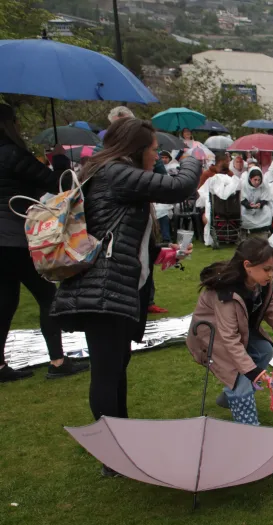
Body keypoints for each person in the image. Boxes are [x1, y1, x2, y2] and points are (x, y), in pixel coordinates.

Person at [50, 118, 200, 428]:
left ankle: (121, 436)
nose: (157, 158)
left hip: (115, 287)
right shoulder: (115, 173)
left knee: (116, 367)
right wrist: (190, 157)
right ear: (137, 149)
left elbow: (120, 232)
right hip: (105, 288)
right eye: (155, 151)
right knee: (107, 372)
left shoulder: (109, 172)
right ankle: (111, 447)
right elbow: (179, 186)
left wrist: (159, 253)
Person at [0, 105, 87, 382]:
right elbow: (54, 182)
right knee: (48, 297)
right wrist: (59, 160)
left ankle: (0, 366)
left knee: (5, 302)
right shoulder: (12, 153)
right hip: (15, 237)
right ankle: (58, 361)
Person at [186, 238, 273, 425]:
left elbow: (271, 303)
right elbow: (228, 339)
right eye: (266, 269)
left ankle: (229, 397)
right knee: (239, 378)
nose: (271, 275)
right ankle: (248, 430)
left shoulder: (262, 283)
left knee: (264, 351)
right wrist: (251, 371)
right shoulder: (226, 294)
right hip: (212, 338)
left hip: (237, 331)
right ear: (247, 266)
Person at [240, 167, 273, 238]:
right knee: (243, 211)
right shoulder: (244, 185)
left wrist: (260, 203)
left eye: (259, 180)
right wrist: (248, 205)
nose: (257, 182)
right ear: (250, 179)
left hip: (259, 206)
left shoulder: (264, 184)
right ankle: (245, 229)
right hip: (248, 206)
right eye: (255, 180)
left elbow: (266, 197)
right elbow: (242, 198)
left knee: (267, 210)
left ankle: (264, 229)